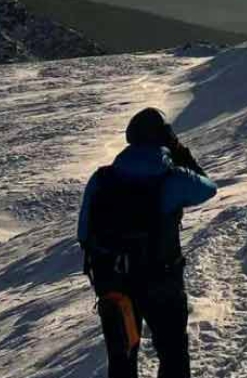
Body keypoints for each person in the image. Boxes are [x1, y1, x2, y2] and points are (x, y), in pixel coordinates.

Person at [78, 107, 218, 378]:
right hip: (162, 283)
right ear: (163, 138)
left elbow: (84, 234)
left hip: (115, 285)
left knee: (121, 360)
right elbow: (208, 188)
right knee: (173, 355)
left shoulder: (101, 178)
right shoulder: (173, 178)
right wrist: (179, 151)